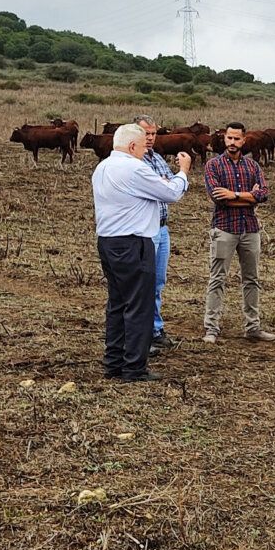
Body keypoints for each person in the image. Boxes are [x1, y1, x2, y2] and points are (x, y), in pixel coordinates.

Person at [92, 124, 191, 382]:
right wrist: (183, 171)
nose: (145, 150)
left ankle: (113, 362)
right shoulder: (134, 168)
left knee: (117, 303)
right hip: (134, 243)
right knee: (139, 305)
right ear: (133, 146)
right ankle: (134, 367)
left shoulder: (102, 167)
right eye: (142, 146)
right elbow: (171, 193)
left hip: (108, 241)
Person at [202, 122, 275, 343]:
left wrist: (233, 195)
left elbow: (263, 194)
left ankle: (253, 327)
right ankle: (211, 329)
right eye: (229, 138)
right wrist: (248, 197)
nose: (232, 143)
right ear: (224, 139)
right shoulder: (213, 165)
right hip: (224, 228)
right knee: (217, 279)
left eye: (237, 139)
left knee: (251, 279)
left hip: (249, 229)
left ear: (244, 140)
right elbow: (218, 198)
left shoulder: (253, 166)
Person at [134, 114, 186, 350]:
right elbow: (167, 188)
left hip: (162, 228)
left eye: (154, 133)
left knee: (157, 281)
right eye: (146, 133)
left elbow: (172, 190)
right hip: (144, 230)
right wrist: (169, 183)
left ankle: (154, 329)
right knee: (142, 281)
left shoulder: (157, 159)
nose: (151, 138)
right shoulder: (134, 163)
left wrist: (168, 184)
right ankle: (142, 333)